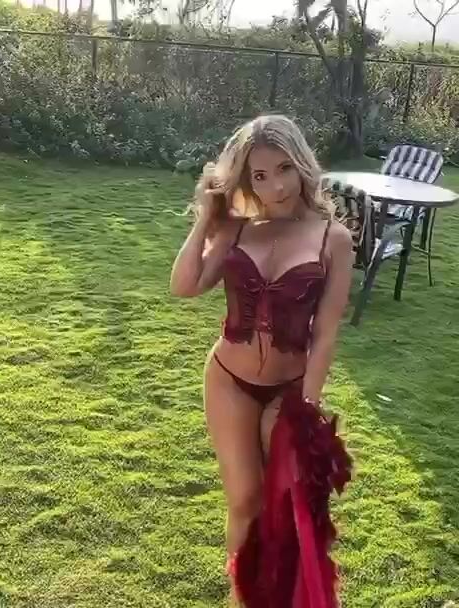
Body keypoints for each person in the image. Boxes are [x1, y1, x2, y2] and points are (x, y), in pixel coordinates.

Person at [170, 115, 354, 607]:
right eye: (259, 175)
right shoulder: (237, 229)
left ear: (302, 165)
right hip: (228, 379)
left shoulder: (332, 238)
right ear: (246, 180)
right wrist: (206, 219)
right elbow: (184, 286)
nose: (275, 186)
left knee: (287, 504)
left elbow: (326, 332)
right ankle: (243, 599)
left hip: (289, 391)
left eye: (284, 169)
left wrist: (306, 407)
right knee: (245, 500)